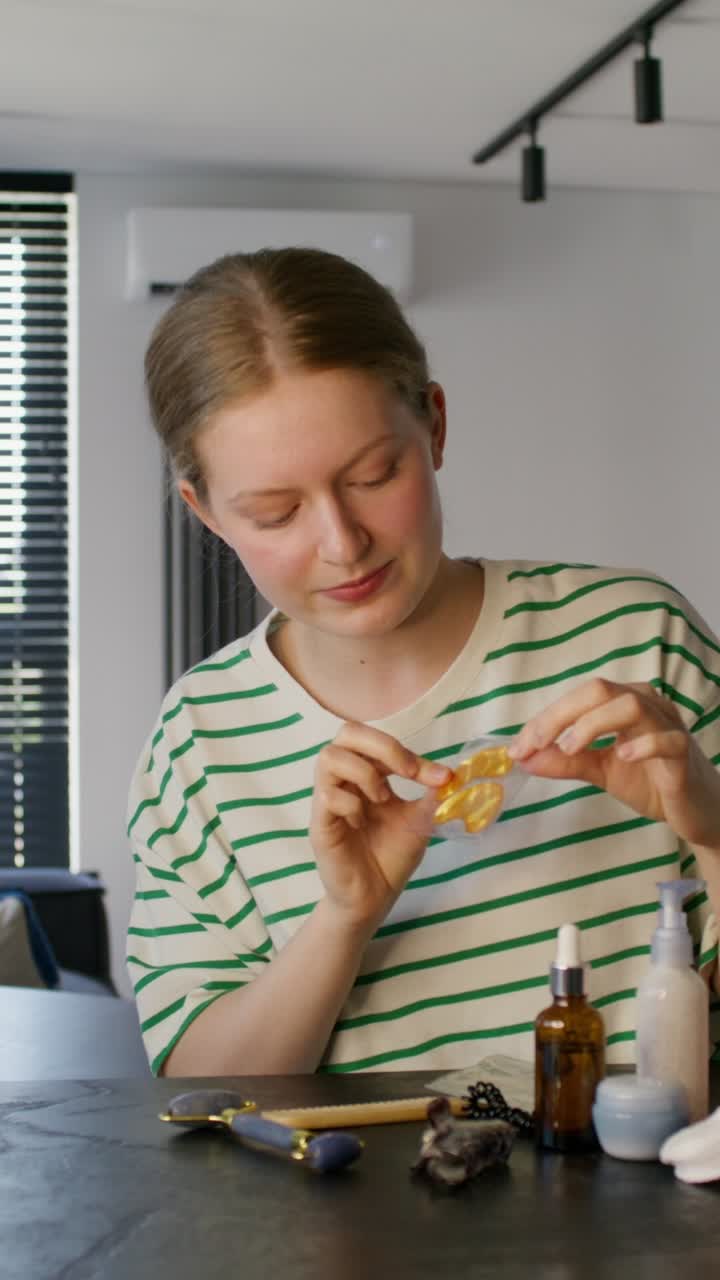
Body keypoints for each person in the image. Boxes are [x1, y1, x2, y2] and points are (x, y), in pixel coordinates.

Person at [127, 247, 720, 1078]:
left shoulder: (637, 636)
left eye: (375, 475)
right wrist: (344, 915)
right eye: (276, 512)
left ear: (434, 426)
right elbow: (199, 1086)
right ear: (207, 513)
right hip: (355, 1208)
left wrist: (714, 833)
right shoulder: (200, 740)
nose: (342, 544)